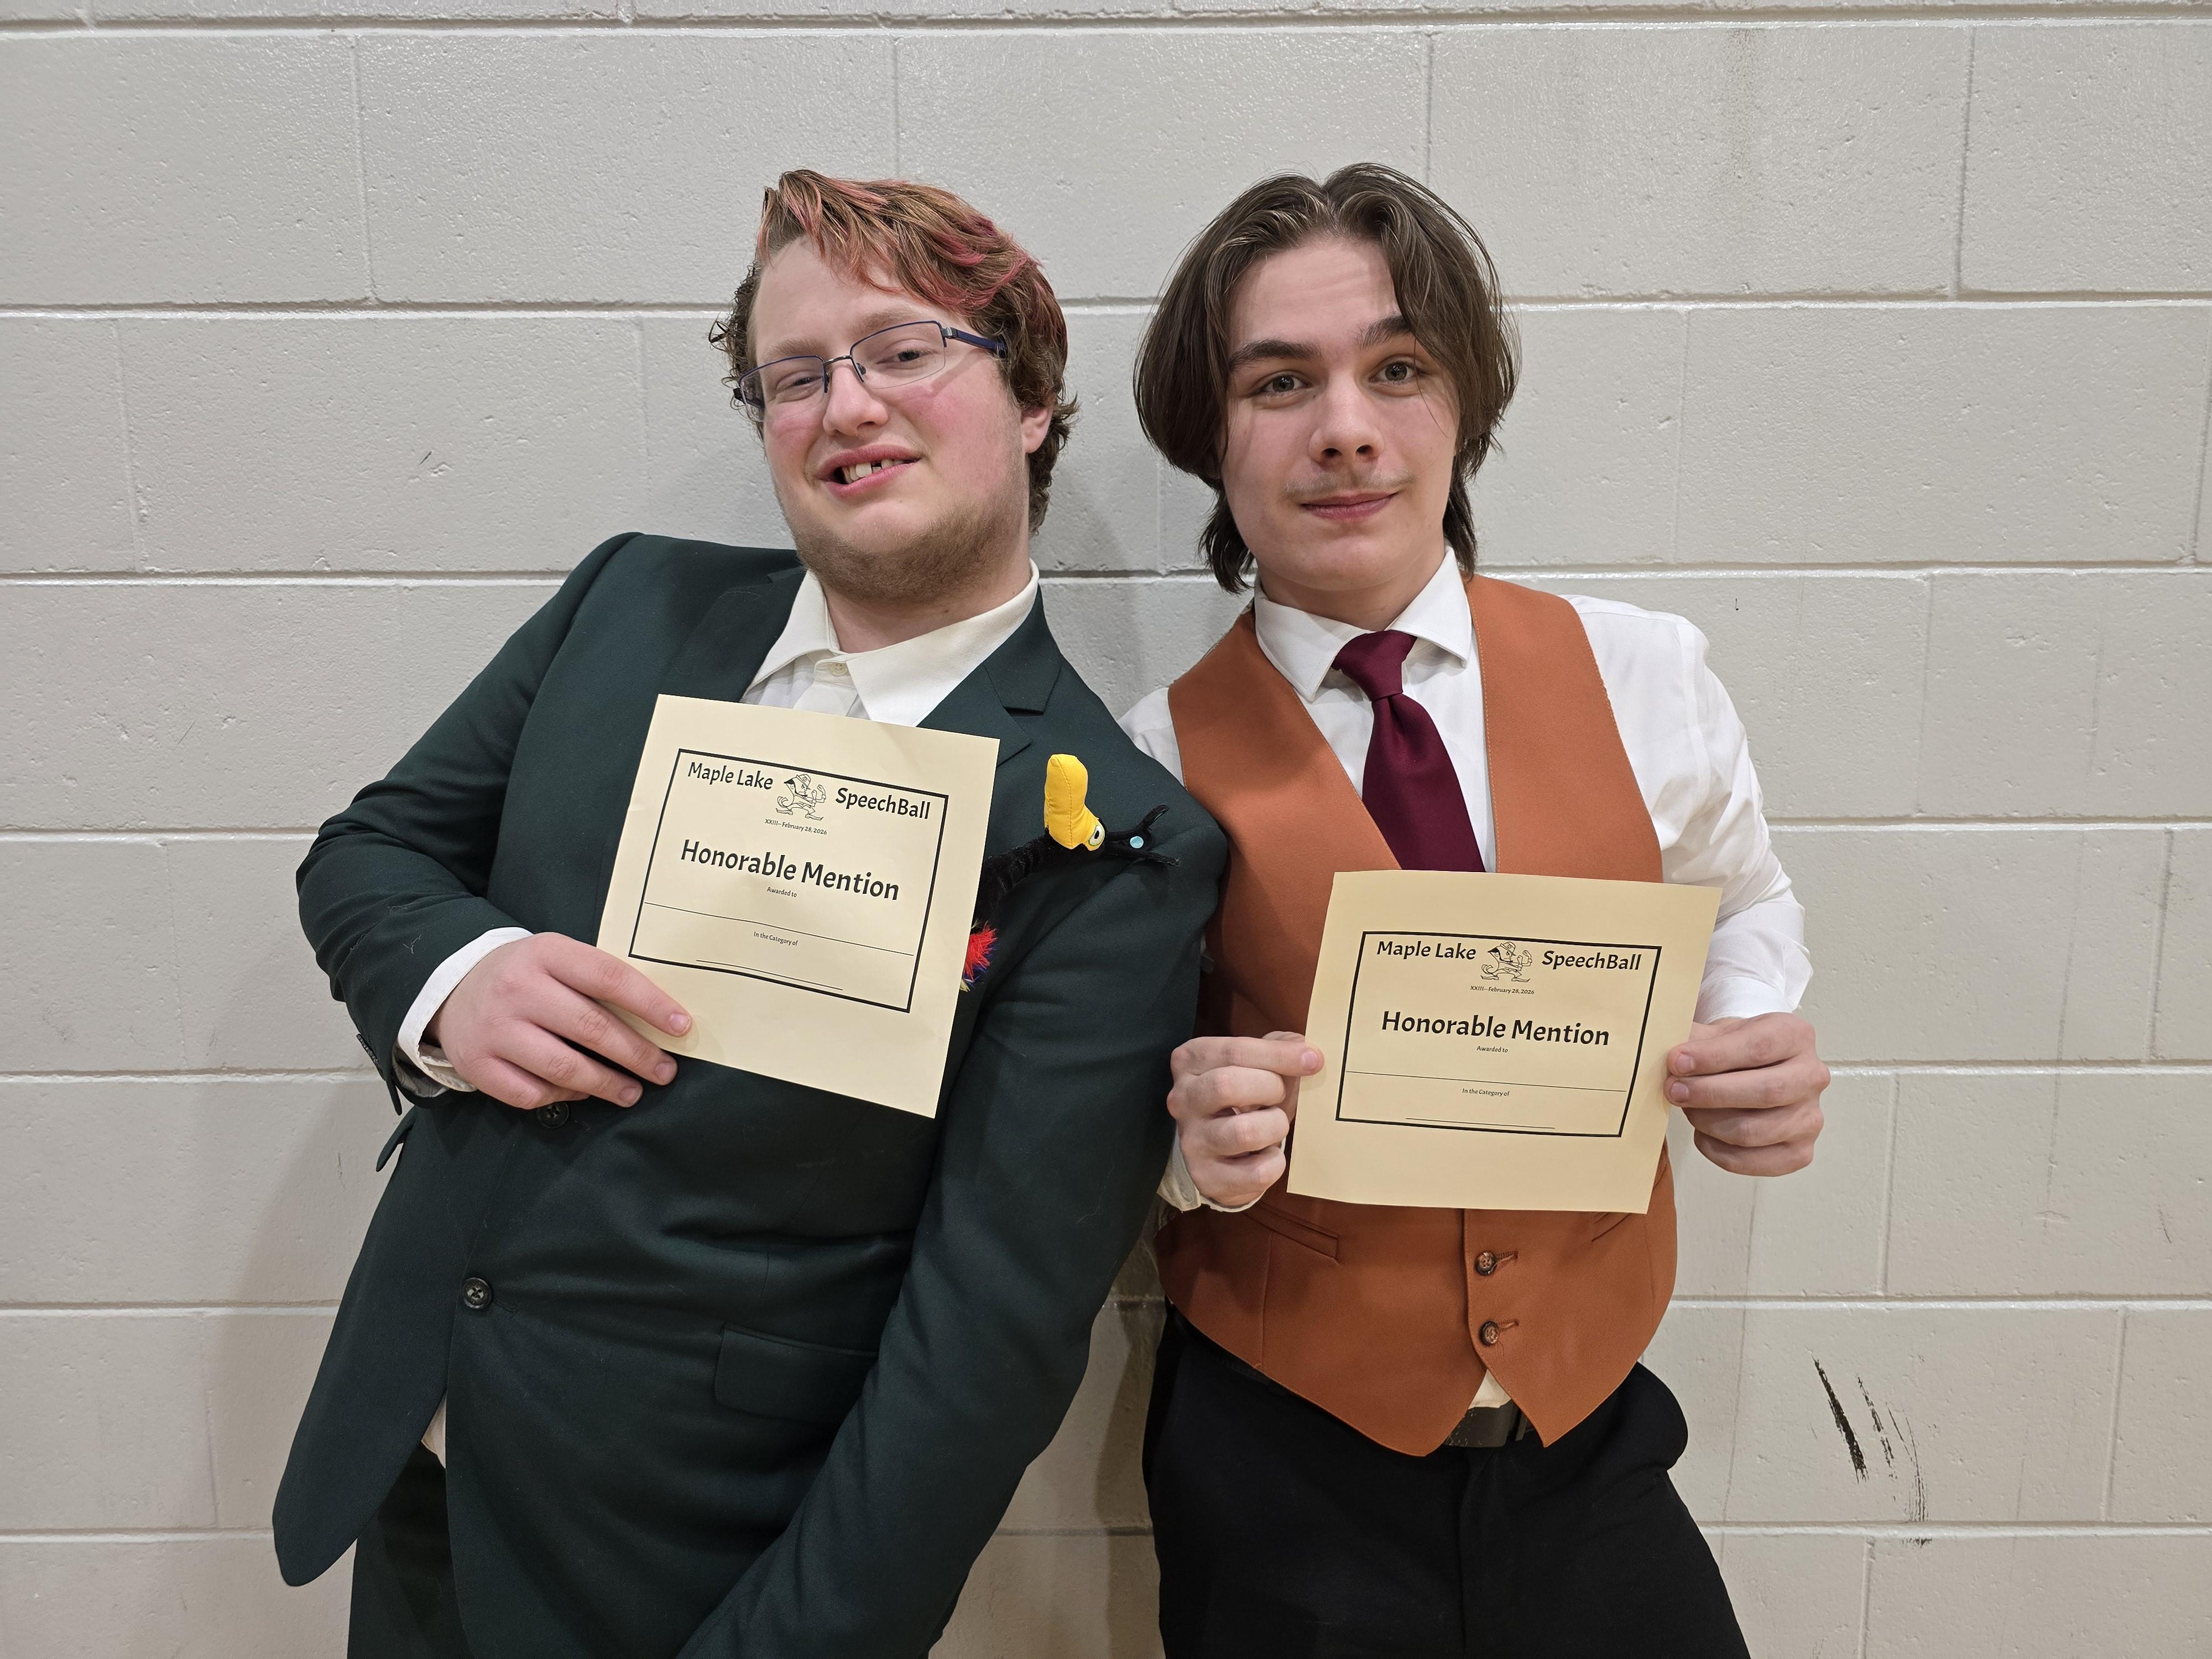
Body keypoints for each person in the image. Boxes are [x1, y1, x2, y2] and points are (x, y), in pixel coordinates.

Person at [273, 170, 1223, 1659]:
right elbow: (373, 851)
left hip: (688, 1556)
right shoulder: (628, 604)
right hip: (418, 1466)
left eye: (903, 350)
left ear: (1035, 399)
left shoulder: (1116, 837)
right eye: (795, 374)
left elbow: (980, 1350)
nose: (846, 405)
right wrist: (459, 976)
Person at [1120, 164, 1830, 1656]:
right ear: (1212, 434)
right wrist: (1186, 1155)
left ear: (1465, 405)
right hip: (1281, 1466)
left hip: (1593, 1437)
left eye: (1397, 368)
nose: (1346, 428)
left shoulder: (1645, 674)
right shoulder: (1148, 760)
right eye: (1278, 382)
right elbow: (1097, 1115)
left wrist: (1749, 1029)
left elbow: (1743, 901)